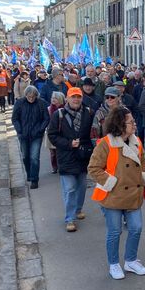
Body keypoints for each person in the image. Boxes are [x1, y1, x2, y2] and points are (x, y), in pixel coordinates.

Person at [88, 107, 145, 280]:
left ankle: (130, 261)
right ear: (121, 125)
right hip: (112, 196)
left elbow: (143, 162)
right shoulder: (106, 143)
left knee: (136, 228)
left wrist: (143, 177)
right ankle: (114, 264)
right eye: (131, 122)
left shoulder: (136, 141)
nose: (134, 124)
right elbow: (93, 168)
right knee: (115, 232)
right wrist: (111, 183)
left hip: (133, 195)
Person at [47, 87, 94, 232]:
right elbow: (52, 135)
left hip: (82, 156)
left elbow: (91, 134)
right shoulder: (58, 114)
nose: (76, 99)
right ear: (67, 99)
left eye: (78, 97)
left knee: (81, 187)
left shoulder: (88, 113)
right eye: (73, 97)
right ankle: (70, 219)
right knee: (70, 189)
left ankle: (78, 210)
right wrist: (68, 144)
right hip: (66, 157)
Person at [11, 86, 50, 189]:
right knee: (25, 156)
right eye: (29, 97)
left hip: (36, 135)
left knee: (34, 157)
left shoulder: (41, 103)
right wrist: (19, 130)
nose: (31, 99)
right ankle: (29, 173)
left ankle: (34, 179)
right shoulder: (20, 103)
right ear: (26, 95)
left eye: (33, 97)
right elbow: (15, 118)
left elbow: (46, 118)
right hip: (23, 134)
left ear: (36, 96)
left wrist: (40, 129)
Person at [46, 91, 65, 174]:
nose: (53, 99)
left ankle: (62, 165)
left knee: (61, 151)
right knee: (53, 152)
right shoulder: (49, 109)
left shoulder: (65, 108)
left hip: (62, 132)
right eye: (52, 98)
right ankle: (54, 167)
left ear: (60, 99)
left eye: (55, 98)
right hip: (51, 132)